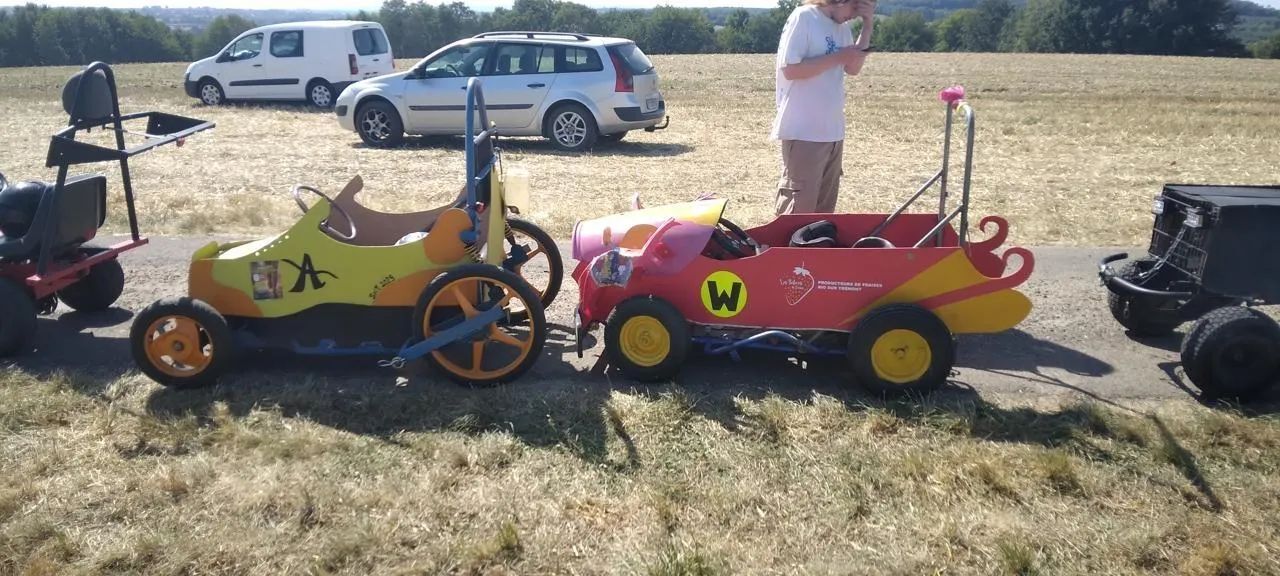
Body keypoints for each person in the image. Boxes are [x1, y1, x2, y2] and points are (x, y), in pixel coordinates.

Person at [770, 0, 876, 215]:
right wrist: (838, 57)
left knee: (824, 212)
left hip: (833, 133)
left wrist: (867, 26)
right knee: (798, 209)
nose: (854, 16)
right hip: (804, 132)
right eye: (855, 8)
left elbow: (853, 68)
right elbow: (790, 69)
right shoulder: (805, 17)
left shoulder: (843, 28)